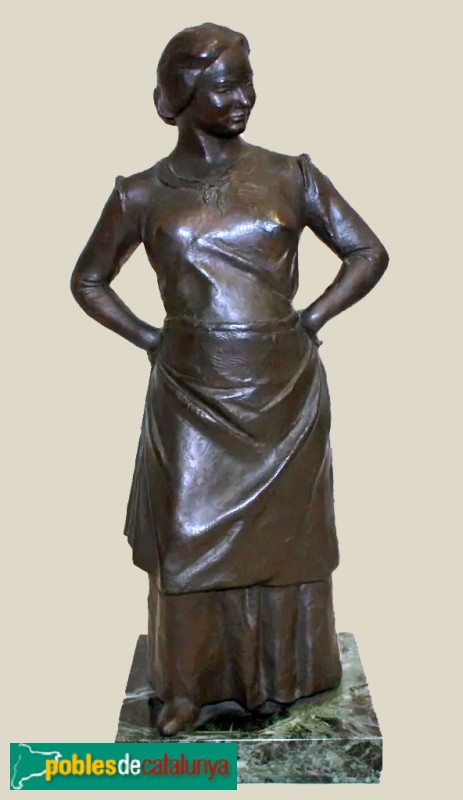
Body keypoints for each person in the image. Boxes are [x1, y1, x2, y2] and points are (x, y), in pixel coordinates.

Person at [71, 22, 388, 736]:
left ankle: (289, 678)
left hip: (282, 392)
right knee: (185, 537)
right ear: (182, 94)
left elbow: (367, 252)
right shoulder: (140, 193)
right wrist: (151, 339)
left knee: (289, 544)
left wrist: (310, 320)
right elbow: (88, 280)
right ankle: (187, 688)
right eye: (224, 85)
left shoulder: (290, 174)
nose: (243, 97)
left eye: (247, 81)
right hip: (190, 392)